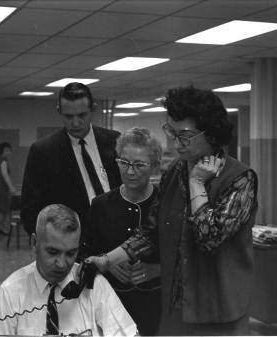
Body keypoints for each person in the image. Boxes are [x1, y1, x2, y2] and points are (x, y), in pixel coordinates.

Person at [87, 85, 258, 336]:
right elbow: (151, 232)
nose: (176, 143)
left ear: (210, 133)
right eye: (172, 132)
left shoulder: (240, 178)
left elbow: (209, 237)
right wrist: (107, 260)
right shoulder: (175, 171)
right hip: (175, 307)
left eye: (185, 135)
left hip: (219, 310)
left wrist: (197, 184)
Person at [0, 204, 137, 336]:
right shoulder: (11, 291)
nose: (62, 264)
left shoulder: (94, 286)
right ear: (34, 243)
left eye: (71, 253)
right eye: (52, 252)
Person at [83, 127, 162, 336]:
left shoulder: (165, 204)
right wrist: (107, 264)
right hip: (110, 304)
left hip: (156, 305)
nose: (129, 171)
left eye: (139, 165)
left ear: (154, 167)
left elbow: (185, 258)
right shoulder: (100, 205)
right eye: (124, 163)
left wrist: (157, 269)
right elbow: (83, 253)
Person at [21, 82, 122, 237]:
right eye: (68, 116)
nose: (75, 123)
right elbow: (30, 209)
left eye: (82, 115)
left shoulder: (115, 142)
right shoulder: (43, 152)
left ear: (92, 109)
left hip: (117, 240)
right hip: (70, 245)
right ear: (59, 112)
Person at [0, 142, 16, 235]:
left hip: (1, 187)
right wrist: (11, 188)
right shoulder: (3, 161)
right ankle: (0, 226)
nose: (9, 152)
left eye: (9, 150)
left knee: (5, 209)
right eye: (6, 150)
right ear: (2, 151)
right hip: (2, 188)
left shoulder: (2, 160)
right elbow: (5, 175)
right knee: (5, 209)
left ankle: (0, 226)